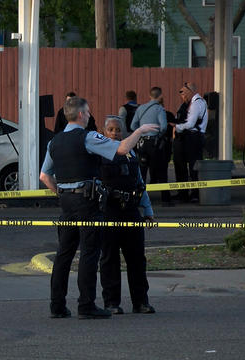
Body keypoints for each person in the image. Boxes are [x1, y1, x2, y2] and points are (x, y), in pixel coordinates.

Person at [39, 96, 158, 320]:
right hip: (87, 203)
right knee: (90, 254)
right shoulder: (87, 137)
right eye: (89, 112)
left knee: (63, 255)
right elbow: (122, 148)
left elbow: (44, 176)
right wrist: (140, 130)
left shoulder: (54, 142)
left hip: (66, 203)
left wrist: (62, 193)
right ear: (82, 114)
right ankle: (86, 305)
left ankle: (57, 305)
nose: (90, 116)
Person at [99, 116, 155, 315]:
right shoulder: (98, 153)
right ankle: (111, 303)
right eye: (111, 130)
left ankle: (140, 302)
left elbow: (140, 184)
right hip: (109, 212)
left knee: (137, 259)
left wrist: (147, 210)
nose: (114, 133)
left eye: (118, 130)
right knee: (109, 259)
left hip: (131, 211)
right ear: (104, 132)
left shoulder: (130, 152)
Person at [130, 87, 170, 205]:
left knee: (142, 172)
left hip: (142, 144)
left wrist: (142, 132)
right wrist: (159, 134)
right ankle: (165, 199)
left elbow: (133, 126)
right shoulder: (159, 109)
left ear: (149, 95)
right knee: (162, 171)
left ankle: (139, 198)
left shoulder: (141, 108)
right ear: (160, 96)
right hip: (155, 143)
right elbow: (163, 127)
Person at [171, 82, 207, 203]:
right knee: (179, 165)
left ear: (190, 91)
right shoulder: (185, 105)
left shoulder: (197, 103)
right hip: (183, 139)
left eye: (184, 93)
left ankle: (195, 194)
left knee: (193, 166)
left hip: (193, 137)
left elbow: (191, 124)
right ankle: (183, 193)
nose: (182, 96)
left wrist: (177, 127)